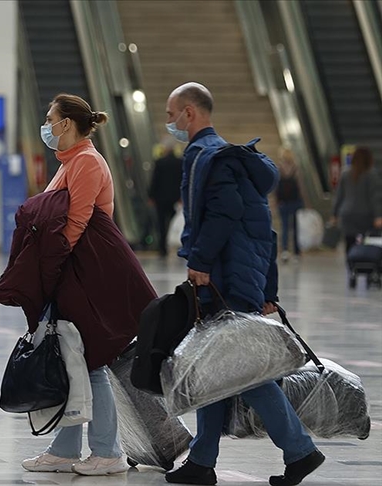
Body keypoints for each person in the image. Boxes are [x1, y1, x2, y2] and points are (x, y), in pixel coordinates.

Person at [164, 82, 324, 486]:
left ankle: (300, 450)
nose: (169, 123)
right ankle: (202, 461)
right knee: (216, 367)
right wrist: (267, 289)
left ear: (190, 113)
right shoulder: (232, 159)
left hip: (223, 278)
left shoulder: (206, 157)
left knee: (242, 372)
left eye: (171, 115)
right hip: (242, 275)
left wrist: (200, 261)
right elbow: (264, 232)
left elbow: (222, 215)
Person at [0, 93, 156, 477]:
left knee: (91, 361)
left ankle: (107, 452)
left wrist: (48, 270)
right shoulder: (70, 163)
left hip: (85, 273)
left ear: (66, 123)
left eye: (50, 118)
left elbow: (75, 223)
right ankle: (65, 448)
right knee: (70, 358)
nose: (46, 125)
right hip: (71, 271)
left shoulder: (86, 162)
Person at [332, 146, 382, 258]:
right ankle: (365, 264)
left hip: (347, 215)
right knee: (367, 242)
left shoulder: (345, 173)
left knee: (349, 243)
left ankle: (351, 266)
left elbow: (339, 196)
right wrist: (378, 216)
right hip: (365, 216)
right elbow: (375, 197)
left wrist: (334, 214)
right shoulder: (371, 174)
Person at [148, 140, 184, 257]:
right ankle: (176, 244)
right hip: (175, 197)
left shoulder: (160, 162)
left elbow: (155, 180)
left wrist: (151, 196)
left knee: (161, 223)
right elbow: (182, 180)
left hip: (160, 198)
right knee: (174, 221)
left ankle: (162, 248)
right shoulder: (180, 162)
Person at [276, 148, 305, 261]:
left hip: (283, 202)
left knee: (284, 226)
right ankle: (297, 252)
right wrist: (305, 201)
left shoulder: (279, 168)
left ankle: (284, 251)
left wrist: (275, 200)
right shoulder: (295, 168)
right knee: (295, 227)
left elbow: (276, 187)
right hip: (295, 201)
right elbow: (301, 186)